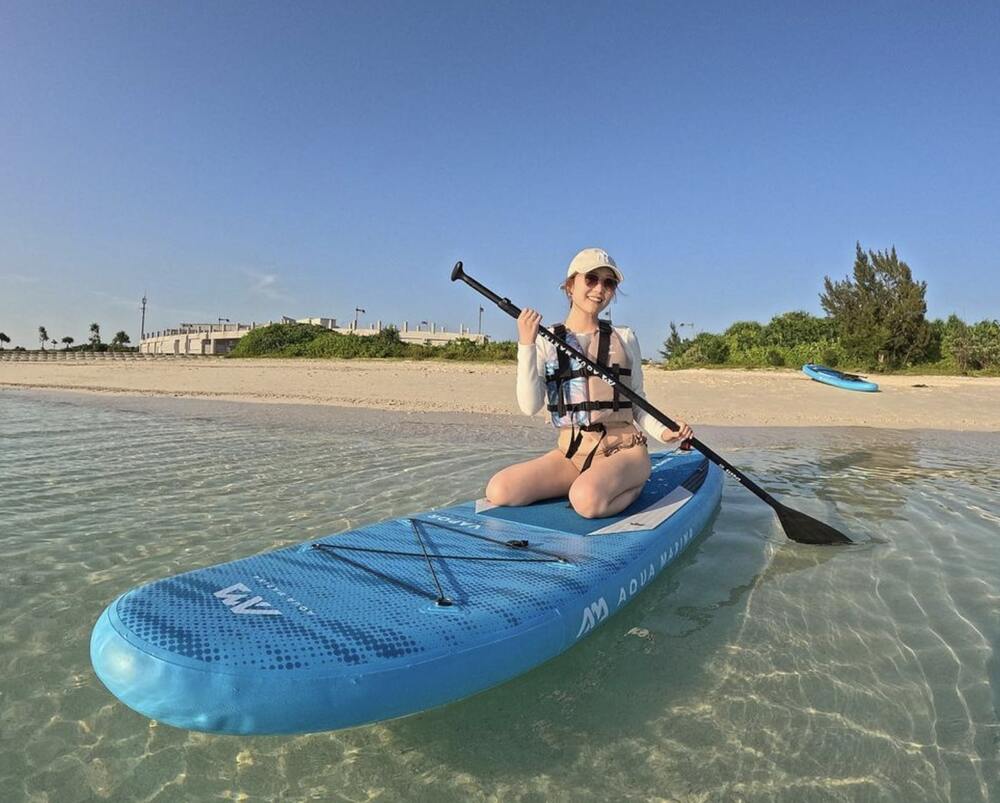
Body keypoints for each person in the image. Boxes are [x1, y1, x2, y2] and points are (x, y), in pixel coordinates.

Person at [485, 247, 693, 519]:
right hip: (572, 455)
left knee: (585, 500)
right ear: (570, 285)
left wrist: (665, 432)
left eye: (609, 283)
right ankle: (590, 484)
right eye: (591, 279)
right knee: (499, 490)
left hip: (624, 452)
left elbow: (637, 400)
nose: (599, 288)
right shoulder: (545, 340)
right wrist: (526, 343)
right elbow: (529, 406)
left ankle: (632, 484)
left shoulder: (625, 337)